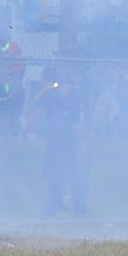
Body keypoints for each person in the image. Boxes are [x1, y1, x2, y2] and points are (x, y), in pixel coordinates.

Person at [36, 74, 89, 216]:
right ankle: (50, 210)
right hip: (56, 145)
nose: (68, 90)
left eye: (70, 88)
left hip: (69, 145)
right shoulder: (54, 100)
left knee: (76, 177)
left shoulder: (74, 104)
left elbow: (75, 125)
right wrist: (46, 89)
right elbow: (36, 101)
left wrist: (89, 137)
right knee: (58, 177)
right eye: (65, 87)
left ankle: (80, 210)